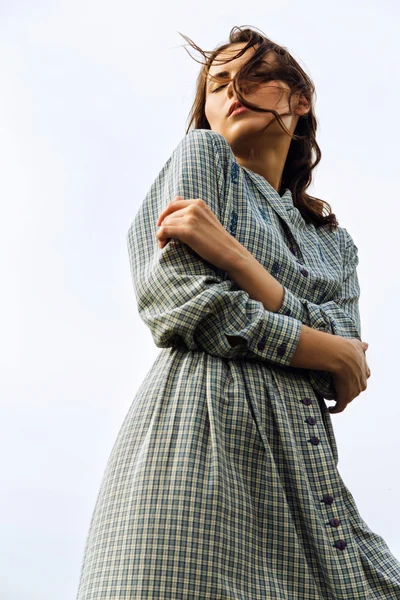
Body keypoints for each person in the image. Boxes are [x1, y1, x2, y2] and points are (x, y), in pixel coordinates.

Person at [76, 26, 400, 599]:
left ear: (299, 100)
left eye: (253, 77)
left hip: (305, 478)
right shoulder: (203, 159)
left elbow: (350, 352)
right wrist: (321, 347)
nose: (233, 91)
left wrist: (235, 258)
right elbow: (182, 299)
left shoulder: (335, 244)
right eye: (218, 83)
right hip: (199, 449)